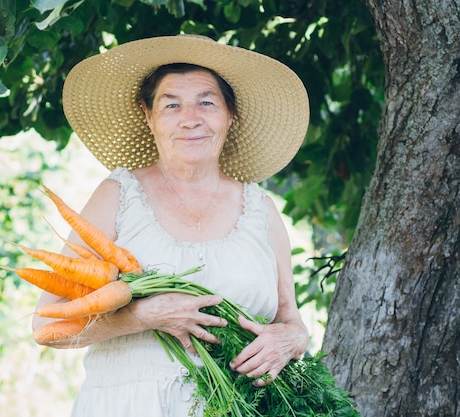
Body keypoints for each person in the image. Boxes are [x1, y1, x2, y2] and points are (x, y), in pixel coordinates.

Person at [32, 35, 310, 416]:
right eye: (172, 104)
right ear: (148, 116)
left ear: (231, 114)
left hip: (239, 406)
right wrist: (143, 316)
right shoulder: (118, 196)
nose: (190, 118)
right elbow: (45, 326)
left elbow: (291, 319)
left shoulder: (260, 208)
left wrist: (289, 340)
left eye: (207, 102)